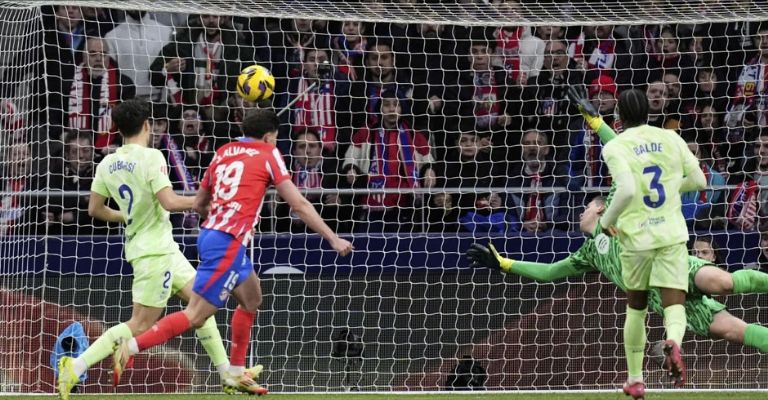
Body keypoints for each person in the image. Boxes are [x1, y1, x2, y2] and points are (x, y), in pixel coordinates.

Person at [110, 108, 354, 391]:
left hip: (215, 235)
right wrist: (332, 238)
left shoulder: (223, 151)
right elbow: (298, 204)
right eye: (274, 139)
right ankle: (129, 347)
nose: (274, 144)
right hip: (227, 242)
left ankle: (236, 373)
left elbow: (200, 202)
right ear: (267, 137)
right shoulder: (268, 153)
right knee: (196, 315)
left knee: (251, 299)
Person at [56, 99, 259, 399]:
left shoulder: (107, 162)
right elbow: (170, 202)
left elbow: (94, 209)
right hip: (154, 254)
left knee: (201, 309)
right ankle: (75, 365)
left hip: (161, 247)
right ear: (148, 125)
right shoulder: (152, 157)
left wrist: (124, 215)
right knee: (139, 324)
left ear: (118, 129)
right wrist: (205, 201)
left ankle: (227, 374)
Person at [465, 196, 768, 391]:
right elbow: (549, 273)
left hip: (671, 265)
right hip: (661, 298)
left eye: (584, 208)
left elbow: (619, 155)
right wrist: (505, 264)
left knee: (723, 283)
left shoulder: (615, 212)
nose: (579, 214)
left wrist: (595, 121)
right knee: (733, 332)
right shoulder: (588, 254)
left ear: (598, 208)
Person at [570, 85, 705, 397]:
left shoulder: (616, 147)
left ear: (619, 116)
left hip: (636, 237)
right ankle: (673, 343)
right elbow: (699, 180)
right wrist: (672, 190)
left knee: (637, 308)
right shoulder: (671, 137)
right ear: (649, 112)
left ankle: (635, 379)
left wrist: (606, 222)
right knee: (674, 305)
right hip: (670, 233)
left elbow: (628, 189)